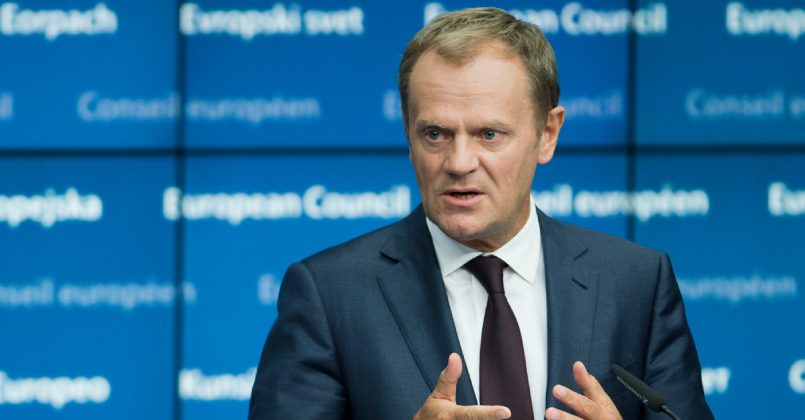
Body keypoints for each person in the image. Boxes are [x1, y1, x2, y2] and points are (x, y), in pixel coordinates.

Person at [249, 7, 713, 420]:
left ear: (547, 134)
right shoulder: (330, 295)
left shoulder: (636, 284)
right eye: (435, 134)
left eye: (489, 134)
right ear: (409, 135)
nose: (458, 162)